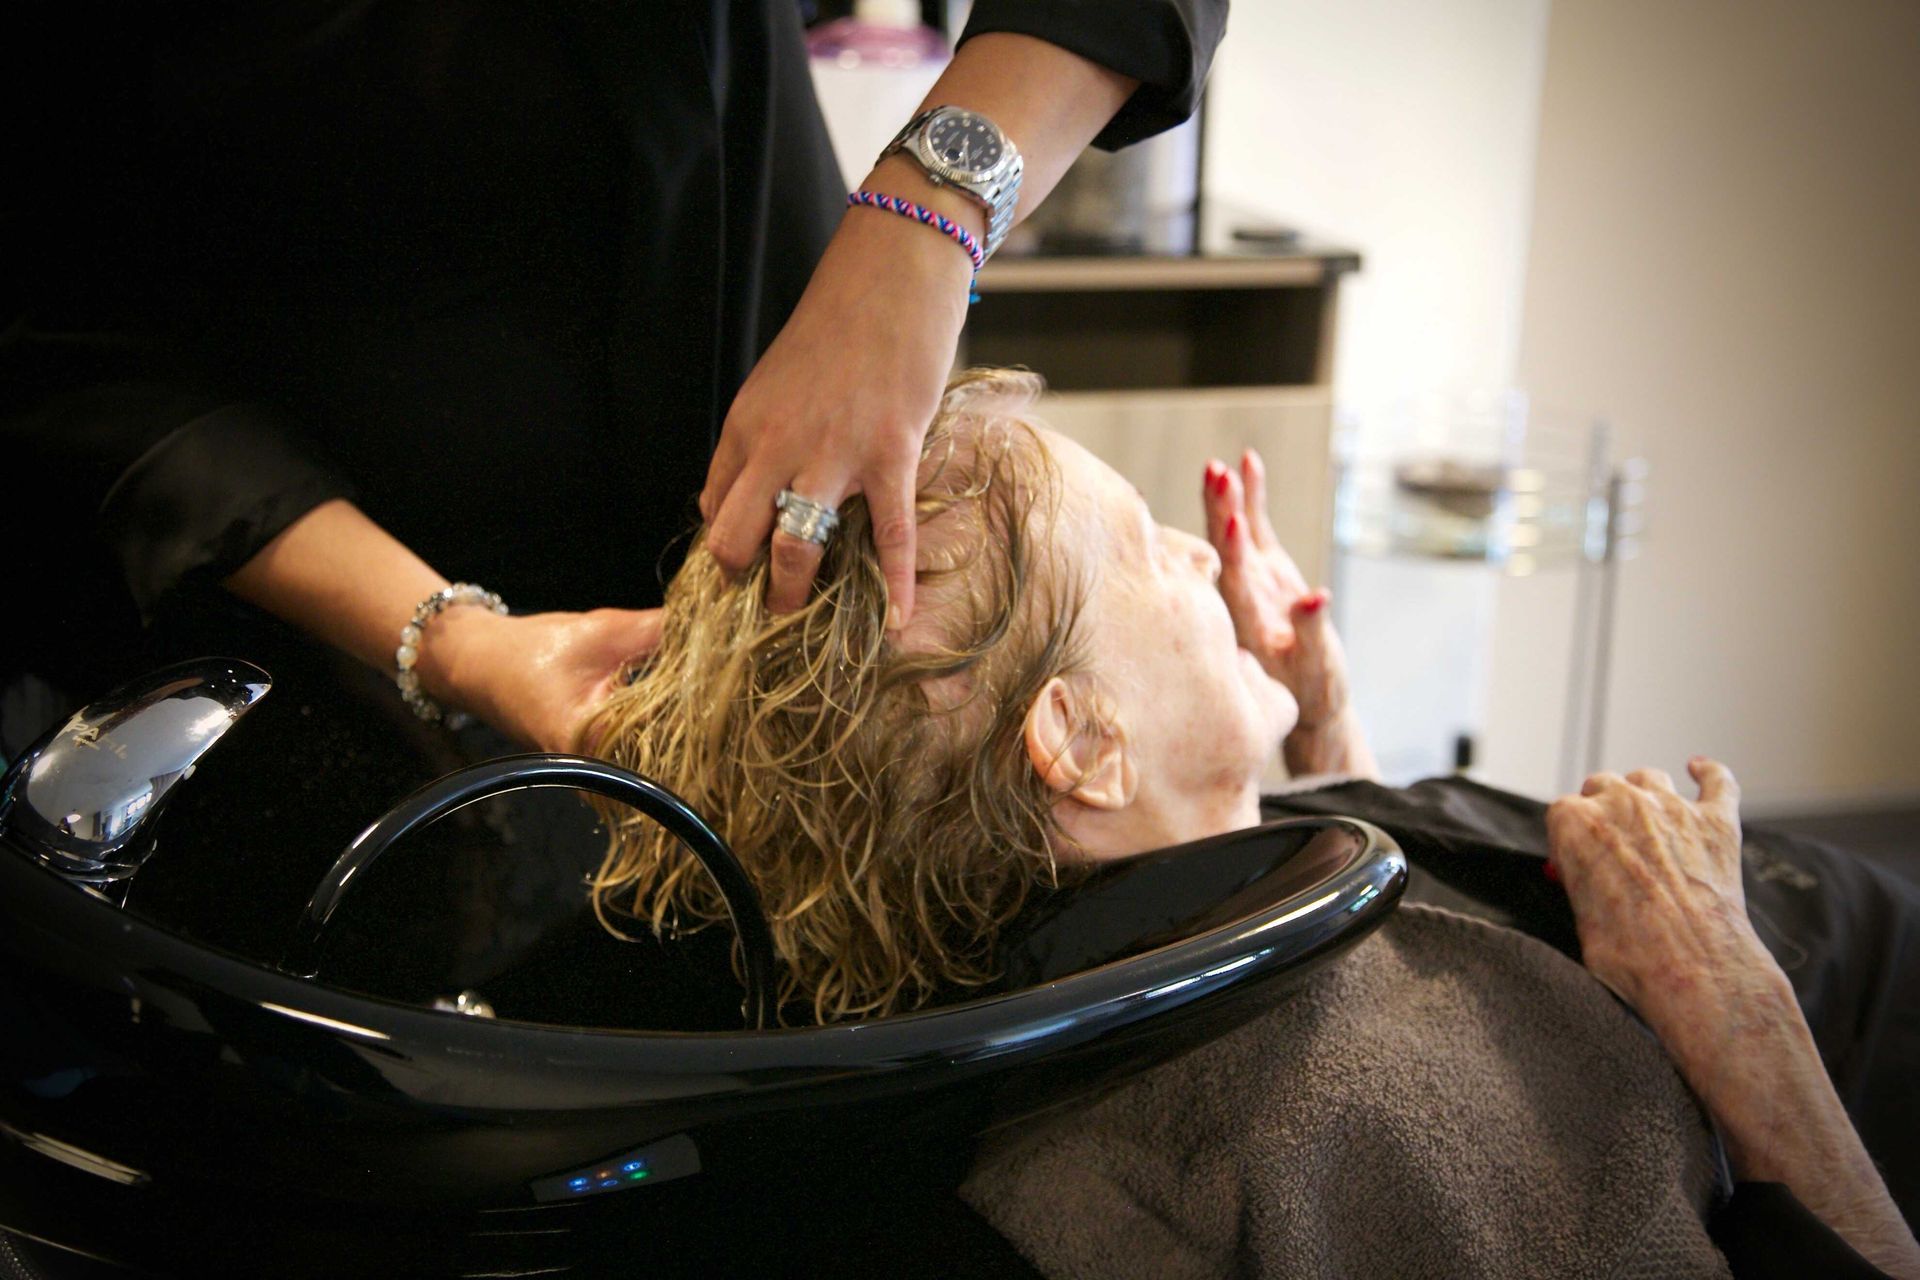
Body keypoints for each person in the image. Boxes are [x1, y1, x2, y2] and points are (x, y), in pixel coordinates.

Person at [582, 369, 1920, 1277]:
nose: (1203, 554)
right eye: (1145, 548)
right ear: (1083, 742)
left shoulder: (1169, 933)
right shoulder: (1360, 1125)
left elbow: (1414, 962)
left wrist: (1333, 771)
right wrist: (1740, 1016)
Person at [0, 0, 1222, 755]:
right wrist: (453, 641)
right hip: (311, 645)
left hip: (779, 473)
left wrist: (920, 228)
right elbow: (60, 336)